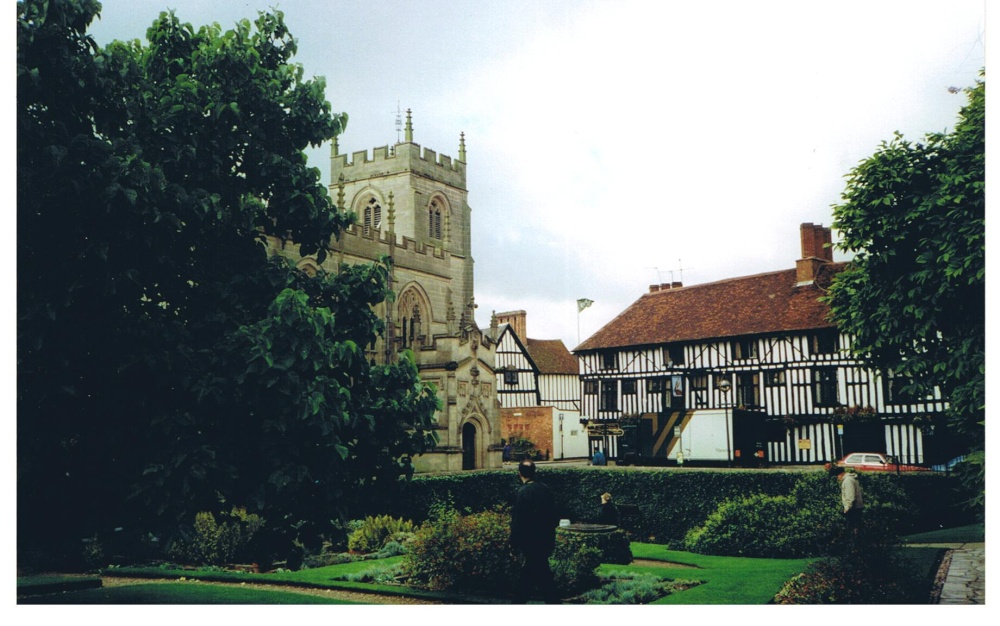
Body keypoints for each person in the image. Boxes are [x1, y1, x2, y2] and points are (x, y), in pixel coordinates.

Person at [510, 459, 560, 604]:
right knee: (538, 573)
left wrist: (513, 544)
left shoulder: (523, 492)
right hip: (546, 539)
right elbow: (554, 516)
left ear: (519, 473)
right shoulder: (545, 490)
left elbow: (518, 522)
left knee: (535, 573)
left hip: (530, 541)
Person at [830, 464, 864, 535]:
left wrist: (847, 507)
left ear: (840, 474)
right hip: (856, 507)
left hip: (853, 508)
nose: (837, 479)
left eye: (837, 476)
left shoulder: (847, 481)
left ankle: (855, 540)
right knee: (856, 526)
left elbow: (850, 496)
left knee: (854, 528)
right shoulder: (850, 479)